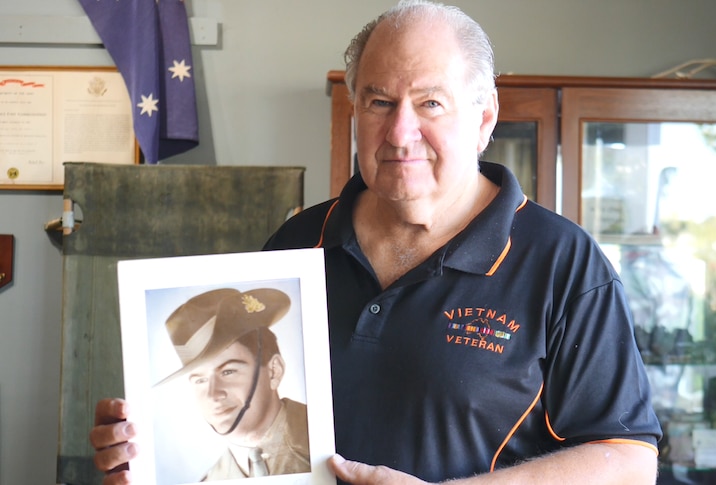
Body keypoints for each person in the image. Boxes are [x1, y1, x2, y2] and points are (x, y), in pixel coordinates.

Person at [89, 1, 662, 484]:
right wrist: (143, 457)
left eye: (430, 104)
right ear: (356, 109)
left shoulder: (563, 263)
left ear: (484, 117)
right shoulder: (297, 242)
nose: (399, 132)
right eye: (379, 101)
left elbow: (630, 460)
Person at [154, 288, 311, 480]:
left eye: (228, 372)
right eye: (200, 380)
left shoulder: (330, 438)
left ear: (273, 371)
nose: (213, 394)